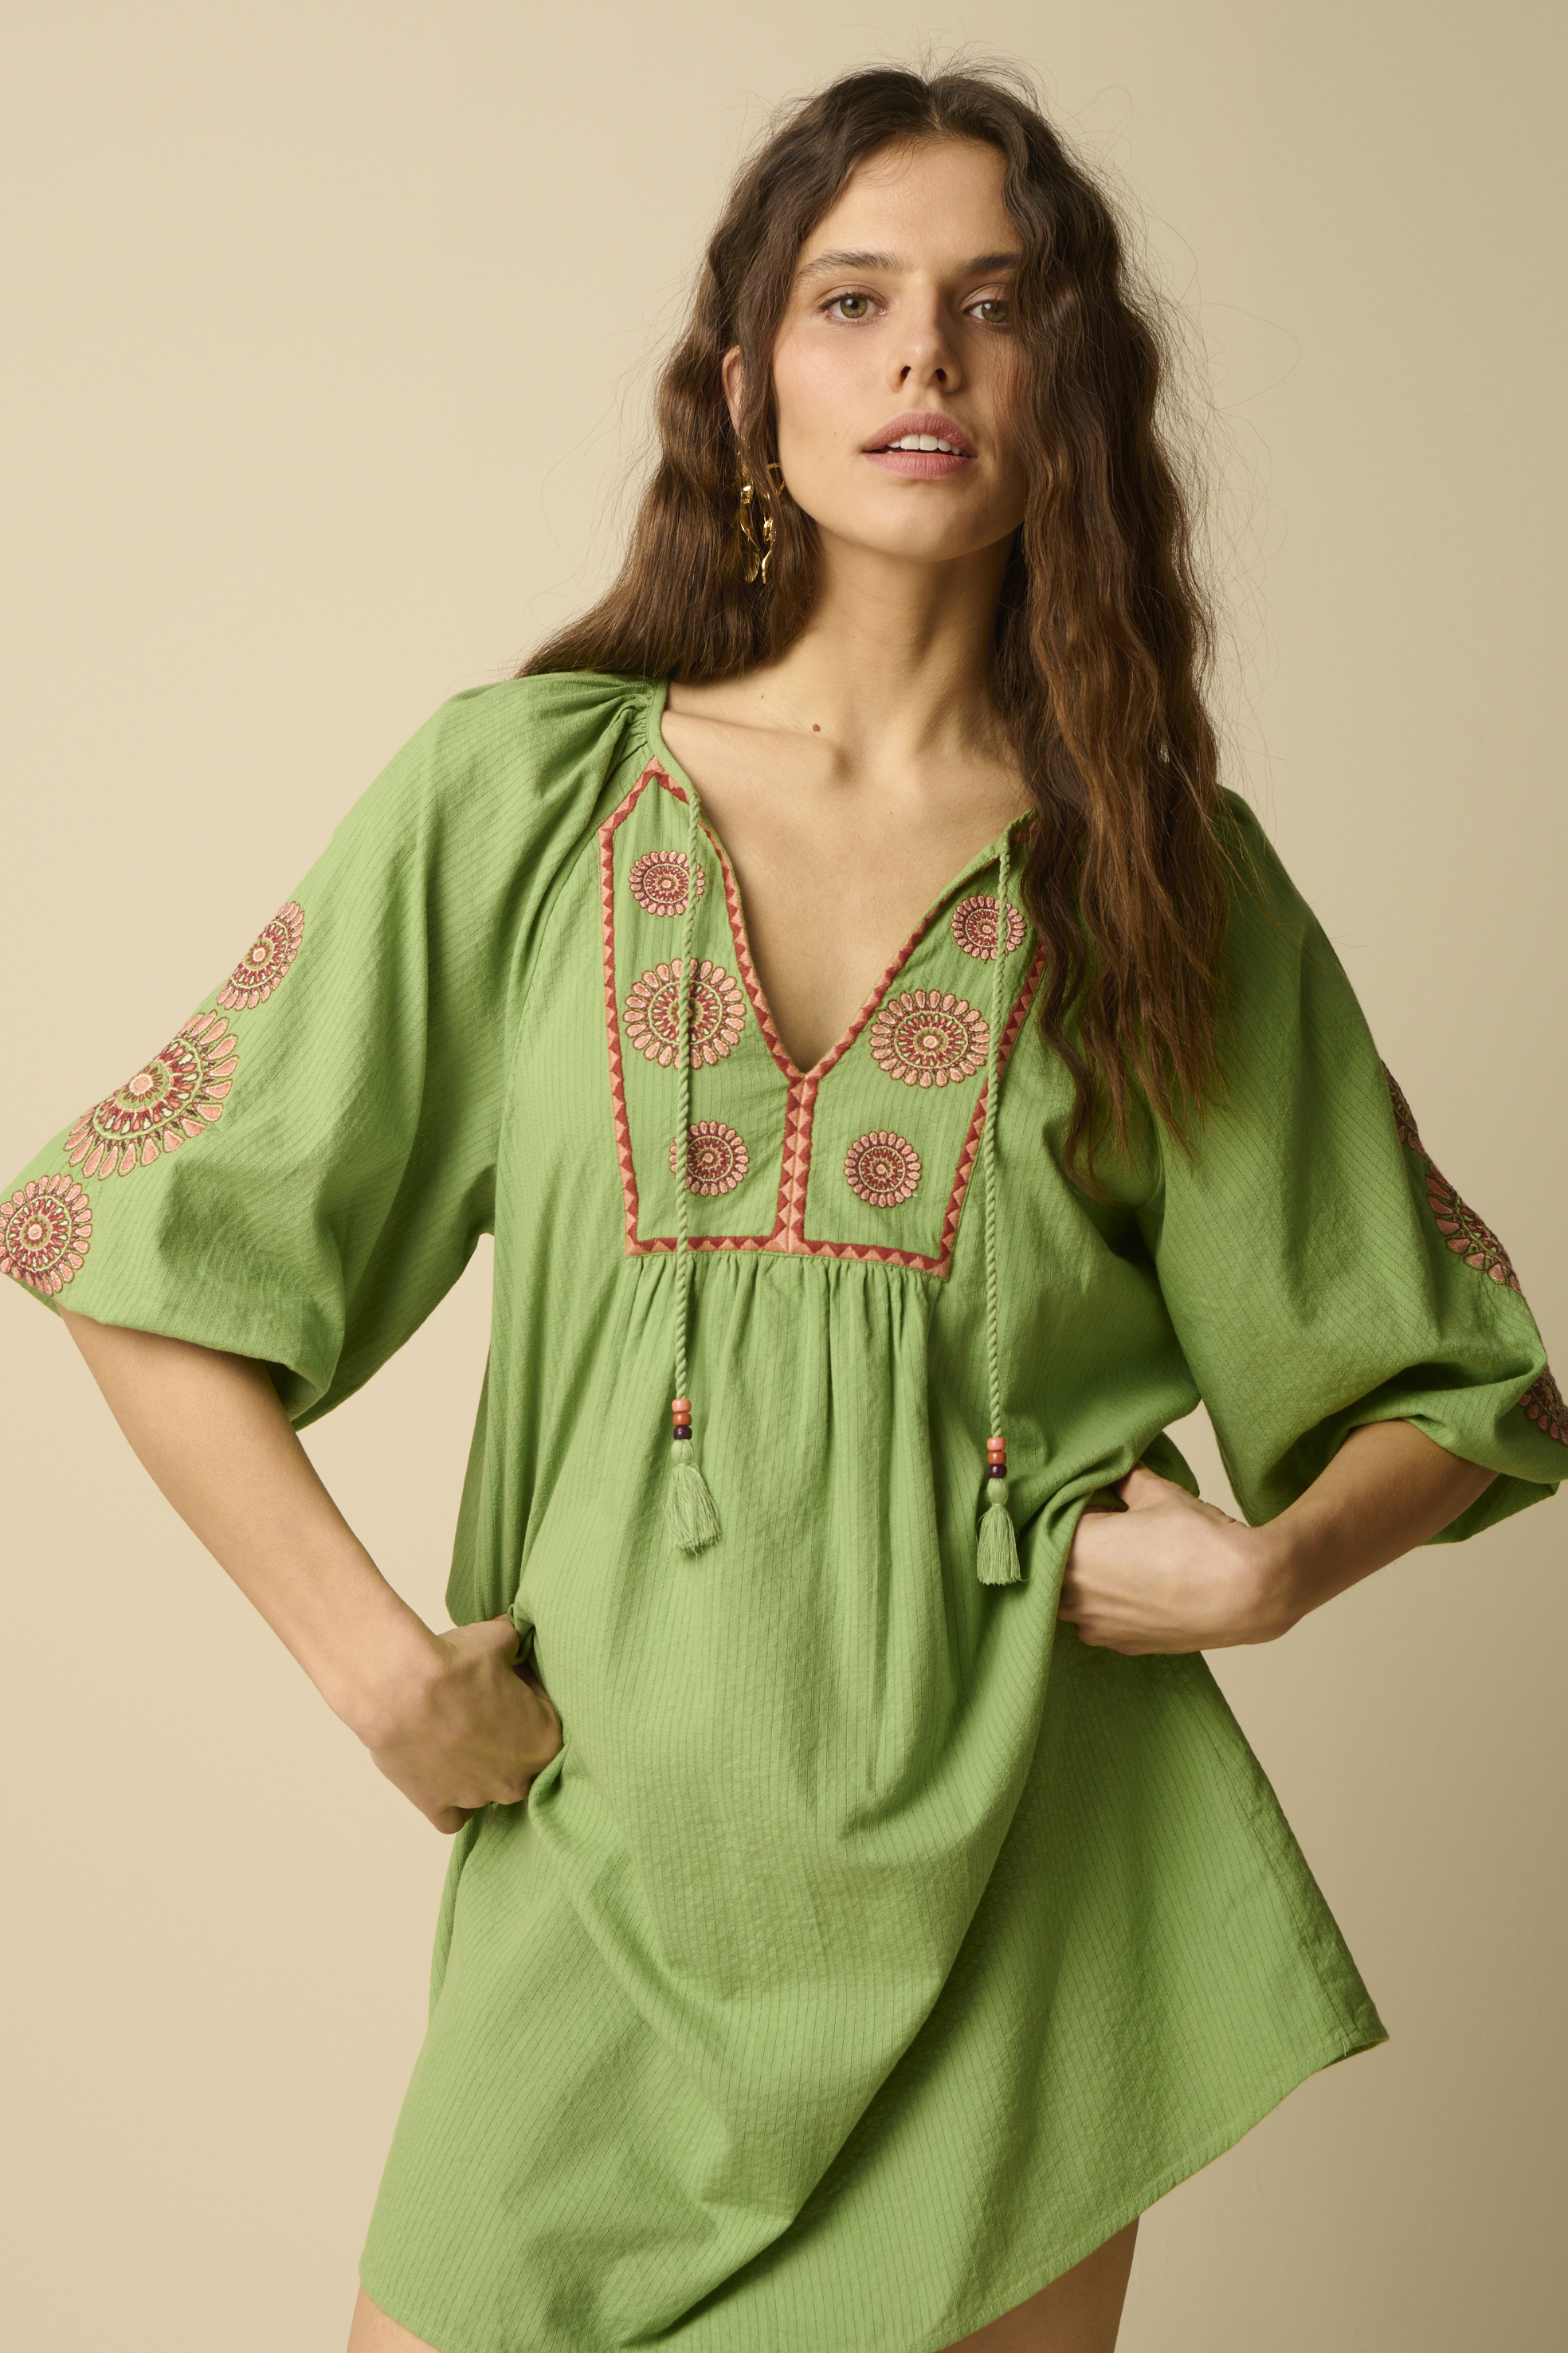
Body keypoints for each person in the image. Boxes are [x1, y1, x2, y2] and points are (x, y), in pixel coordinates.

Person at [2, 58, 1560, 2353]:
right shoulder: (521, 800)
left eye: (993, 305)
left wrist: (1278, 1566)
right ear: (747, 386)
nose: (925, 356)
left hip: (1031, 1890)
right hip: (614, 1867)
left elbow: (1457, 1381)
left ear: (1066, 390)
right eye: (853, 300)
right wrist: (375, 1671)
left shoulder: (1162, 880)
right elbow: (123, 1242)